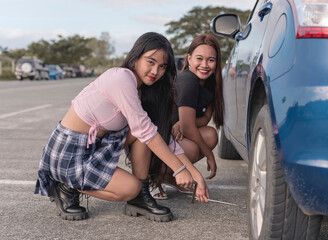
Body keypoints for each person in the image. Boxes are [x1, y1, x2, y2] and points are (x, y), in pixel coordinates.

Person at [34, 32, 204, 222]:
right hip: (69, 152)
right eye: (150, 62)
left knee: (147, 131)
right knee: (130, 188)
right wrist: (179, 170)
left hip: (95, 147)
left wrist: (194, 173)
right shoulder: (121, 78)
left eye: (162, 66)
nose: (156, 71)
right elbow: (145, 131)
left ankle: (141, 197)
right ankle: (65, 184)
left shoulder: (141, 90)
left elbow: (159, 134)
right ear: (135, 58)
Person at [152, 33, 224, 199]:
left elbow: (205, 119)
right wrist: (209, 155)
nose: (205, 65)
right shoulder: (188, 79)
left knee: (211, 135)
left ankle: (169, 177)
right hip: (156, 142)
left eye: (211, 60)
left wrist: (183, 123)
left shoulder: (211, 83)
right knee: (193, 148)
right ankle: (154, 177)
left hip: (172, 136)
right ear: (189, 59)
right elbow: (187, 128)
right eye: (199, 58)